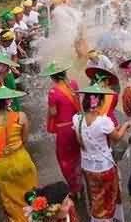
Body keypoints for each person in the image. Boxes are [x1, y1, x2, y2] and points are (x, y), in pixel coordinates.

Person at [73, 84, 131, 222]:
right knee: (109, 197)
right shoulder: (103, 121)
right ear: (99, 102)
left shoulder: (77, 118)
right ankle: (108, 219)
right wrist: (125, 126)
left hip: (88, 167)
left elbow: (81, 140)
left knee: (96, 196)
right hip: (104, 167)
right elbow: (116, 138)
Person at [0, 86, 38, 222]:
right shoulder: (21, 116)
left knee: (11, 201)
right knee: (30, 194)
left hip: (2, 165)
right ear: (9, 101)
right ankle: (36, 217)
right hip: (22, 160)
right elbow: (24, 140)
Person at [41, 62, 82, 196]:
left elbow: (53, 113)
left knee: (65, 159)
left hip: (64, 130)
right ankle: (81, 182)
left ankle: (75, 189)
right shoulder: (74, 84)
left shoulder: (53, 92)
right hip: (77, 126)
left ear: (52, 78)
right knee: (78, 155)